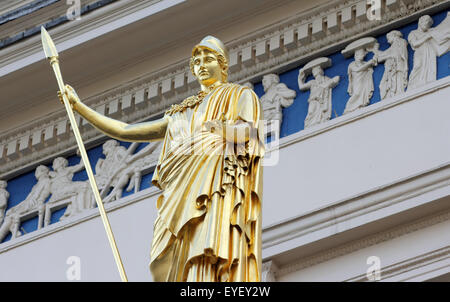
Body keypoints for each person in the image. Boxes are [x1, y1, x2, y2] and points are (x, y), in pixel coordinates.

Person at [58, 36, 264, 282]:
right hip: (179, 192)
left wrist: (217, 130)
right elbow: (125, 130)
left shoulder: (240, 96)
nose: (201, 65)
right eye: (196, 61)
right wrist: (79, 107)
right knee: (165, 260)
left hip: (216, 190)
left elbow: (249, 134)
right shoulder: (180, 113)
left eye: (208, 59)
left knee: (206, 252)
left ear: (223, 65)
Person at [373, 30, 408, 99]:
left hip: (397, 69)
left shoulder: (401, 42)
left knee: (396, 87)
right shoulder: (393, 47)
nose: (388, 41)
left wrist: (385, 56)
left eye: (389, 38)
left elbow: (395, 55)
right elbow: (384, 54)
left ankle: (396, 97)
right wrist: (375, 50)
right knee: (382, 85)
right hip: (390, 70)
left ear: (394, 36)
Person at [344, 48, 377, 114]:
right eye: (361, 54)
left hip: (364, 81)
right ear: (356, 55)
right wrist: (369, 63)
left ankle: (360, 105)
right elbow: (357, 69)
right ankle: (349, 108)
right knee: (356, 93)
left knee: (363, 93)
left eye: (363, 54)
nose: (363, 56)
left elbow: (373, 65)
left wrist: (374, 58)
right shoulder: (352, 64)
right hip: (356, 82)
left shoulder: (365, 63)